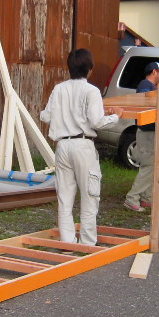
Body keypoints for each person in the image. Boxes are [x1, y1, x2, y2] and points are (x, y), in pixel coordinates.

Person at [40, 48, 123, 246]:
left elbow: (45, 116)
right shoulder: (91, 90)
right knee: (89, 195)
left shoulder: (58, 89)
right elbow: (96, 122)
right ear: (90, 69)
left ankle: (68, 242)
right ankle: (87, 243)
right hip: (83, 145)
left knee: (65, 198)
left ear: (69, 67)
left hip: (62, 146)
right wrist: (116, 115)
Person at [123, 61, 159, 212]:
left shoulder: (152, 87)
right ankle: (132, 198)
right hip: (146, 132)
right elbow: (144, 99)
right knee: (148, 166)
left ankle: (146, 198)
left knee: (153, 165)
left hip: (151, 132)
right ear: (154, 72)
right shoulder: (145, 86)